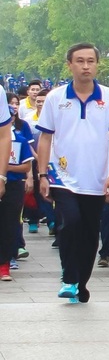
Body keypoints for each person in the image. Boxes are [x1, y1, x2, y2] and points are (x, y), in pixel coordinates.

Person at [35, 44, 109, 303]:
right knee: (70, 222)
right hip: (62, 176)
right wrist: (42, 175)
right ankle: (69, 277)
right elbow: (45, 138)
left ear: (97, 65)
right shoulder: (55, 98)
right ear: (69, 65)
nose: (86, 66)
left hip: (96, 178)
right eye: (80, 61)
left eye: (91, 61)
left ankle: (81, 281)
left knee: (88, 232)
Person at [1, 100, 32, 281]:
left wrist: (5, 169)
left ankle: (5, 264)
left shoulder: (18, 140)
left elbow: (26, 166)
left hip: (12, 186)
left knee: (9, 224)